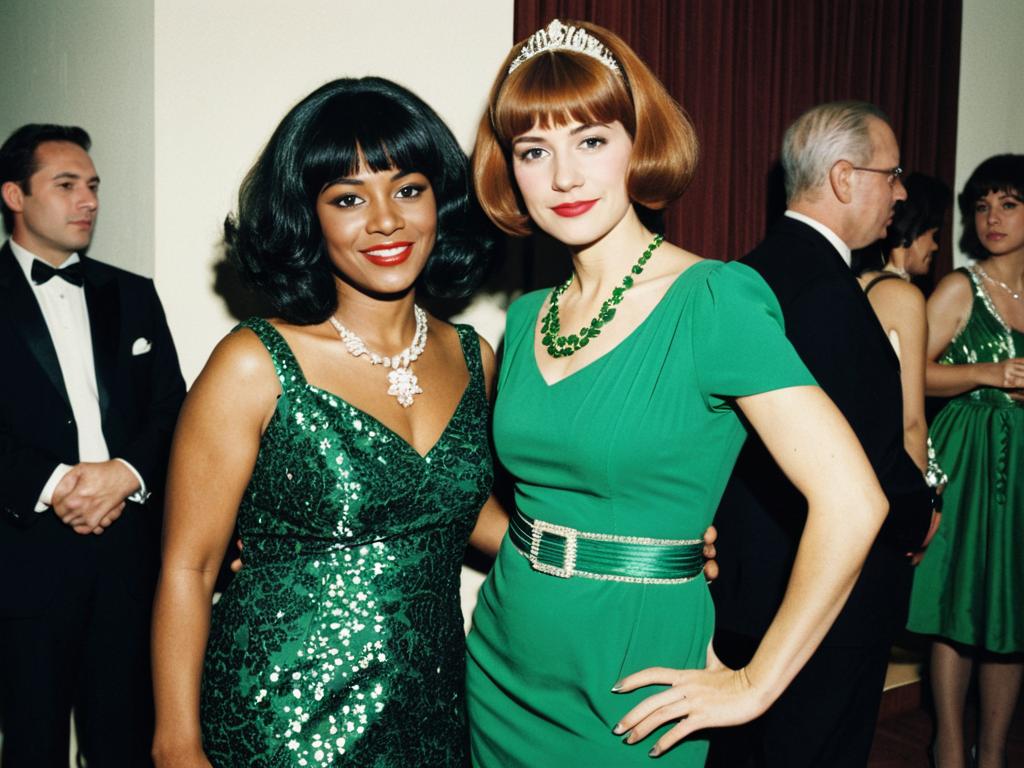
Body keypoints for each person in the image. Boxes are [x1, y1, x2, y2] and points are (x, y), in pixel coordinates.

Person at [465, 21, 888, 767]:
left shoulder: (715, 301)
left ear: (639, 146)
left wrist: (757, 682)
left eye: (591, 140)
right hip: (503, 658)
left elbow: (855, 500)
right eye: (534, 150)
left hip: (635, 680)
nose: (564, 177)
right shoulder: (526, 317)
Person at [150, 77, 501, 767]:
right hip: (282, 717)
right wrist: (176, 745)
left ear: (441, 200)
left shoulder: (474, 358)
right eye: (348, 198)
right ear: (307, 216)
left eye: (408, 189)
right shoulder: (254, 363)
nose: (387, 221)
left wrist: (636, 546)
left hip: (432, 713)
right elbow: (189, 567)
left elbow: (470, 516)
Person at [710, 102, 935, 768]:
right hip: (829, 593)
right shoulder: (827, 291)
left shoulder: (747, 273)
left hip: (747, 584)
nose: (901, 193)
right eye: (892, 174)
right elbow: (864, 451)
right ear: (843, 177)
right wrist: (920, 512)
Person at [0, 124, 185, 767]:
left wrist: (126, 472)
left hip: (130, 561)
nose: (89, 201)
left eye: (94, 186)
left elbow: (172, 407)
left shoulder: (132, 293)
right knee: (32, 745)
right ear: (15, 196)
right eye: (67, 185)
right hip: (23, 560)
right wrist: (58, 485)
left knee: (125, 744)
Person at [906, 154, 1024, 768]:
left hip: (1021, 467)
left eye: (1009, 204)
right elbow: (912, 374)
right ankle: (949, 745)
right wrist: (988, 373)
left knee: (1012, 609)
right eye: (981, 206)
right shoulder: (960, 287)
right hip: (968, 459)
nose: (992, 218)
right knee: (957, 604)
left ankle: (994, 752)